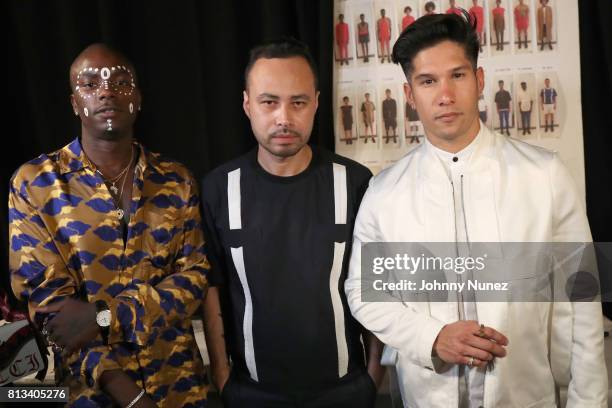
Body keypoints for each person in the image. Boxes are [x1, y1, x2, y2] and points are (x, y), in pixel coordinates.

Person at [345, 12, 608, 407]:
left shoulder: (545, 176)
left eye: (458, 75)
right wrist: (431, 337)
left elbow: (582, 295)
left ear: (479, 80)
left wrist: (589, 401)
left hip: (526, 395)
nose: (445, 94)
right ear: (409, 94)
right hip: (428, 396)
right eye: (428, 81)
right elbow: (364, 291)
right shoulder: (385, 192)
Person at [8, 44, 209, 407]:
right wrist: (131, 399)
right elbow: (55, 318)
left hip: (182, 389)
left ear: (138, 98)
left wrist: (103, 317)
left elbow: (193, 279)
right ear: (74, 103)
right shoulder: (36, 185)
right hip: (93, 396)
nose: (106, 91)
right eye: (90, 84)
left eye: (120, 81)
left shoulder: (176, 181)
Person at [200, 38, 383, 408]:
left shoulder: (356, 183)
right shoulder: (220, 187)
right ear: (247, 104)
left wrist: (374, 376)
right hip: (251, 393)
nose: (284, 117)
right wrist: (221, 375)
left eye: (297, 102)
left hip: (345, 392)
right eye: (269, 102)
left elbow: (377, 283)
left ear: (316, 102)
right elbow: (212, 286)